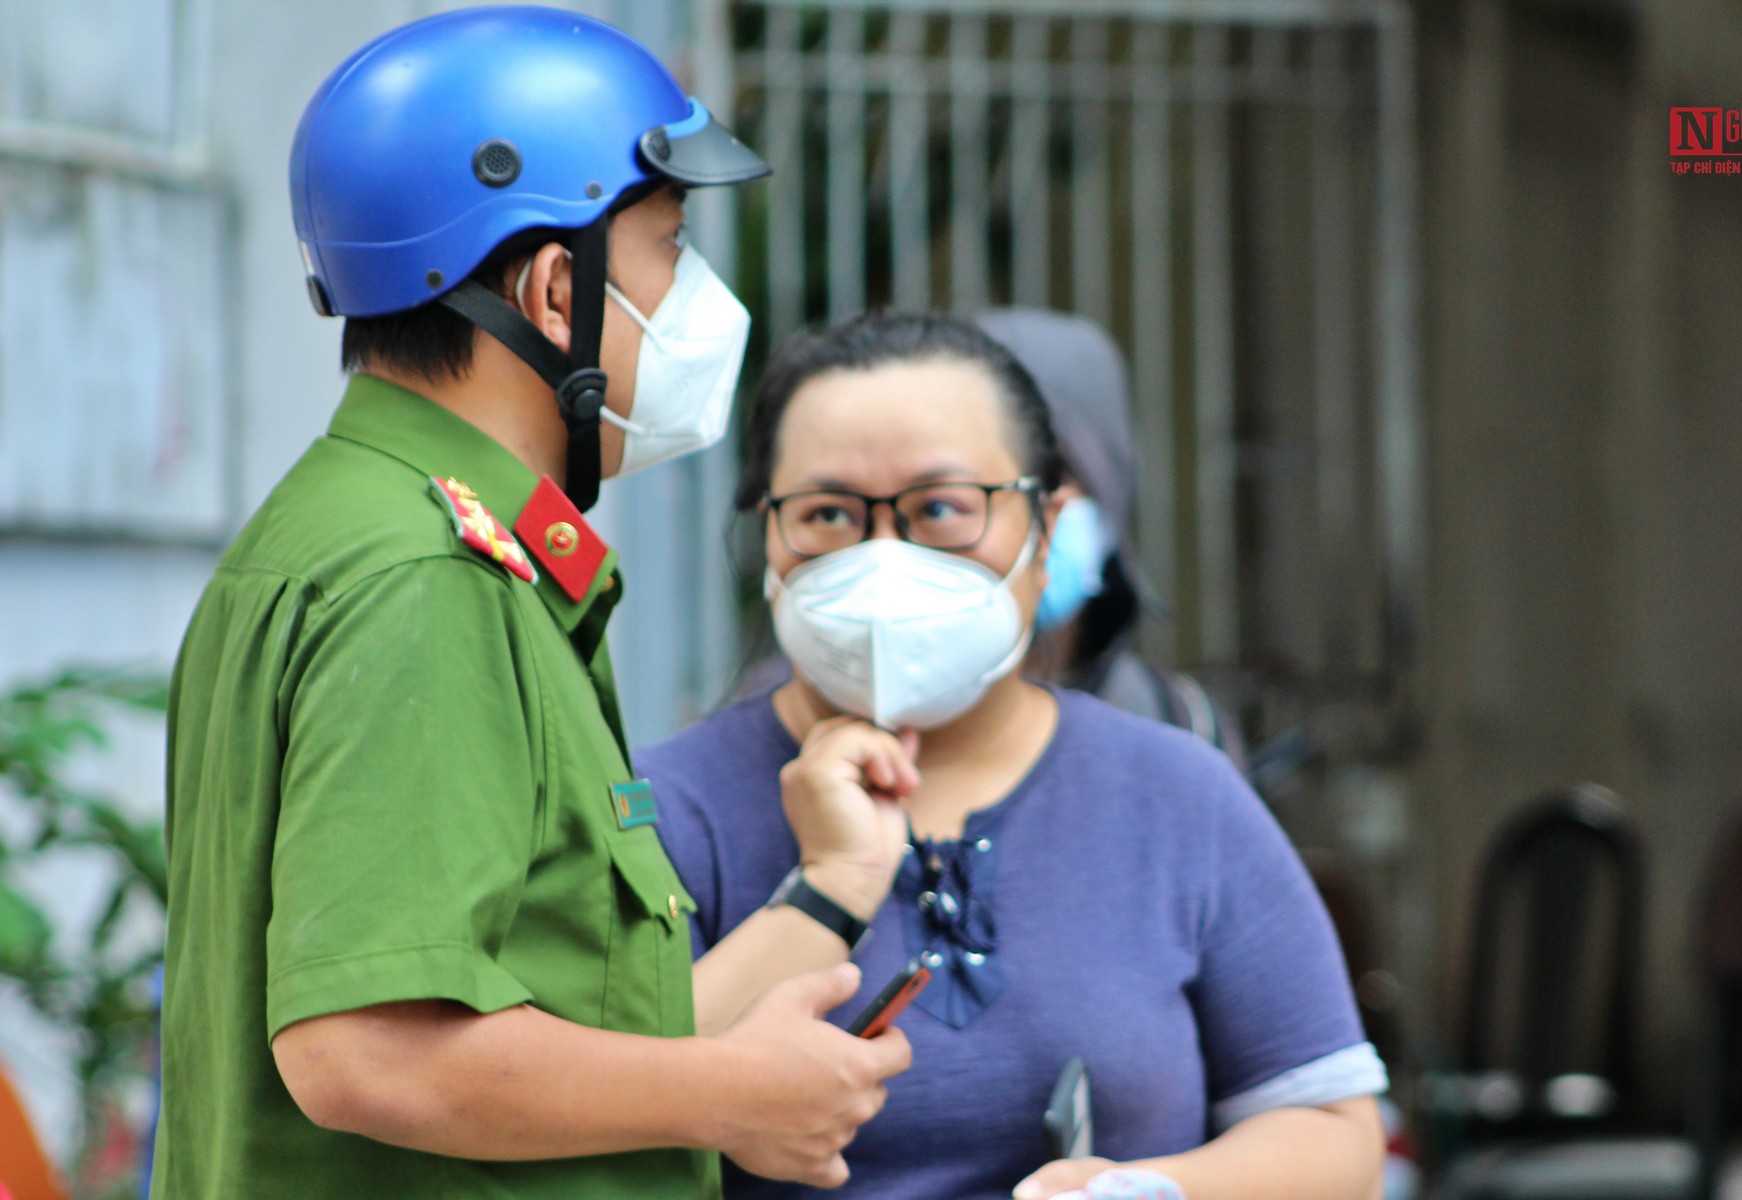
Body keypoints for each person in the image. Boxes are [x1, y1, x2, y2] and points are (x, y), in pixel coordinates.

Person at [158, 10, 907, 1199]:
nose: (696, 296)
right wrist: (733, 1100)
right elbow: (365, 1053)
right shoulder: (427, 580)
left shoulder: (361, 532)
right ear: (559, 290)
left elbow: (563, 1029)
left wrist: (832, 888)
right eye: (668, 244)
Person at [645, 313, 1388, 1200]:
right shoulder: (671, 807)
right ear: (766, 538)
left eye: (943, 509)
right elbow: (600, 1111)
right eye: (829, 513)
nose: (886, 558)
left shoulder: (1176, 794)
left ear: (1050, 529)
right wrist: (825, 887)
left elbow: (1334, 1133)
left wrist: (1149, 1191)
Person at [972, 309, 1242, 764]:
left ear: (1107, 485)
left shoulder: (1177, 727)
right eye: (984, 480)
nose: (1030, 509)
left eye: (1051, 474)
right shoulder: (859, 730)